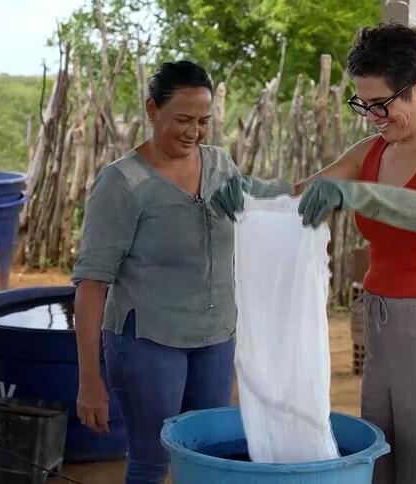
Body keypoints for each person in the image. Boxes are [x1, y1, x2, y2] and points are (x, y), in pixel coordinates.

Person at [217, 23, 416, 484]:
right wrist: (251, 191)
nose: (372, 116)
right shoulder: (370, 151)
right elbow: (299, 195)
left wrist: (362, 195)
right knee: (384, 455)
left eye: (381, 104)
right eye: (362, 104)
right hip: (383, 322)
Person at [71, 60, 289, 484]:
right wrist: (89, 380)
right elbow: (92, 284)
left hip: (214, 338)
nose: (194, 131)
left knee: (208, 457)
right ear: (152, 110)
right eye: (183, 119)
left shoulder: (220, 165)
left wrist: (328, 185)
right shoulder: (122, 184)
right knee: (153, 461)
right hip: (148, 343)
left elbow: (265, 201)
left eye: (204, 121)